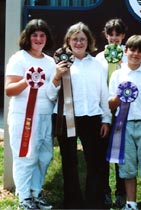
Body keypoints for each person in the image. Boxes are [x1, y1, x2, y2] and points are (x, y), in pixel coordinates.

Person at [48, 22, 111, 209]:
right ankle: (73, 202)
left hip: (92, 118)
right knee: (70, 162)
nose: (79, 42)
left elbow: (103, 94)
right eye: (75, 39)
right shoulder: (59, 63)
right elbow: (51, 95)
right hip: (67, 118)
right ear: (68, 41)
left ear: (89, 41)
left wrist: (106, 119)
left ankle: (94, 201)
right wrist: (57, 76)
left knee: (96, 162)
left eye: (82, 39)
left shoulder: (97, 65)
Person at [5, 19, 55, 210]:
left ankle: (35, 193)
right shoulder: (19, 58)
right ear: (27, 37)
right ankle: (24, 197)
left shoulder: (50, 62)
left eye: (42, 35)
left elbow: (51, 91)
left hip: (45, 115)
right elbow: (9, 90)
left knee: (44, 156)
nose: (38, 38)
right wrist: (28, 80)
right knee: (25, 156)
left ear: (46, 38)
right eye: (34, 34)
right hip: (23, 116)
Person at [108, 35, 141, 210]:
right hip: (124, 125)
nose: (135, 54)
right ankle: (131, 203)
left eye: (140, 51)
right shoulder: (117, 74)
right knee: (127, 166)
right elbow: (110, 104)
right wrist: (119, 96)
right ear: (126, 51)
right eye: (132, 50)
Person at [95, 18, 127, 208]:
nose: (114, 38)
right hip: (103, 111)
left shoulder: (129, 55)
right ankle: (104, 191)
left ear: (123, 36)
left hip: (124, 110)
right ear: (106, 35)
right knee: (102, 153)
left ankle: (121, 192)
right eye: (111, 34)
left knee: (121, 153)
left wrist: (123, 62)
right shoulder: (98, 58)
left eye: (118, 34)